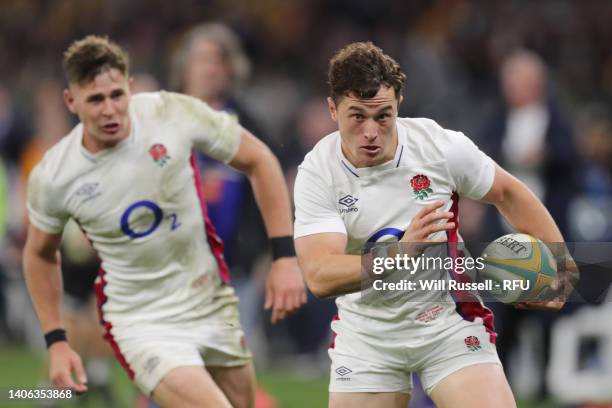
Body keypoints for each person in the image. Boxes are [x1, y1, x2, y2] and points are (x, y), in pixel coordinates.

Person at [22, 35, 306, 408]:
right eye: (95, 100)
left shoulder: (170, 113)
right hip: (142, 322)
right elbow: (39, 254)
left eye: (117, 95)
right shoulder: (56, 175)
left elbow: (261, 160)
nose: (110, 110)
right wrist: (56, 341)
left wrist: (284, 257)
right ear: (71, 102)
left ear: (130, 88)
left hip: (208, 299)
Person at [293, 42, 578, 408]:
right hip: (367, 338)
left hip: (448, 325)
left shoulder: (438, 147)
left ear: (398, 105)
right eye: (357, 116)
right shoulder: (318, 173)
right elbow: (319, 274)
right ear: (333, 110)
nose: (371, 132)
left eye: (383, 116)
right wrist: (400, 253)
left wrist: (562, 266)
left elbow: (509, 192)